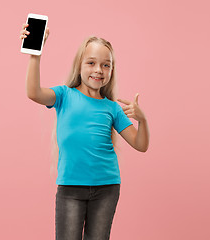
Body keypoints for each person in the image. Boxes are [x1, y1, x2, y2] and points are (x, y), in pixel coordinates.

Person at [20, 23, 150, 240]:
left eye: (106, 65)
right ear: (79, 65)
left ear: (111, 70)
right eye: (91, 63)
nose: (98, 70)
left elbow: (140, 144)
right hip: (70, 188)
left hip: (107, 188)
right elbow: (33, 92)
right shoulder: (64, 95)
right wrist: (35, 53)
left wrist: (143, 120)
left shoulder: (113, 108)